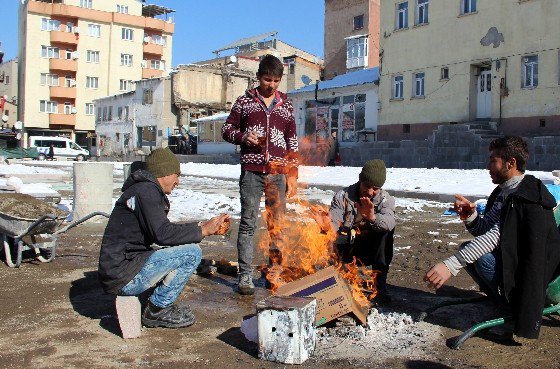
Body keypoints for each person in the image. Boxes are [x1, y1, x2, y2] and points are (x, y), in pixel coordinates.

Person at [424, 136, 560, 343]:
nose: (488, 166)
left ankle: (511, 311)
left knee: (479, 257)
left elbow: (493, 238)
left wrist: (450, 265)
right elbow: (485, 229)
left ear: (511, 163)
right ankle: (499, 301)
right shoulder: (503, 192)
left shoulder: (525, 197)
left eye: (493, 160)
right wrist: (470, 215)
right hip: (511, 261)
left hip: (530, 273)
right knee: (470, 249)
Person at [99, 148, 231, 328]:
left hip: (121, 269)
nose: (178, 181)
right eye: (176, 175)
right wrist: (203, 231)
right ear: (164, 172)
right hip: (123, 275)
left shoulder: (143, 189)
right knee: (192, 253)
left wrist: (201, 227)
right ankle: (157, 310)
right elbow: (163, 234)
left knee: (179, 250)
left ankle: (157, 306)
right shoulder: (146, 190)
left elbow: (163, 231)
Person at [221, 54, 299, 295]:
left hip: (278, 174)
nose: (272, 85)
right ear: (258, 77)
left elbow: (292, 142)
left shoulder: (286, 105)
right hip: (251, 173)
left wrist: (293, 175)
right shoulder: (244, 102)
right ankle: (244, 276)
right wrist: (243, 136)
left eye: (276, 81)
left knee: (277, 227)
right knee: (247, 224)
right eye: (267, 80)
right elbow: (226, 129)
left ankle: (274, 273)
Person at [311, 159, 396, 301]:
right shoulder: (342, 196)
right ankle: (335, 280)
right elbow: (335, 219)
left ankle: (379, 285)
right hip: (346, 248)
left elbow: (389, 222)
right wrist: (327, 226)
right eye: (367, 186)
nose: (369, 192)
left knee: (385, 233)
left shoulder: (386, 200)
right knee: (326, 235)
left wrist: (372, 218)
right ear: (360, 180)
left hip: (369, 249)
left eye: (375, 188)